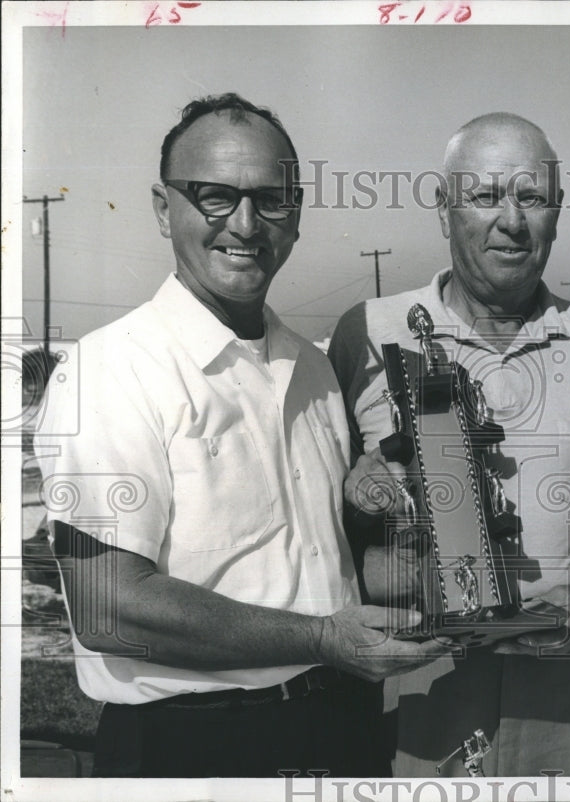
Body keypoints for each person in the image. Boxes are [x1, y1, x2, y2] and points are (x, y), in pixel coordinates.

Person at [35, 93, 450, 778]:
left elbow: (315, 564)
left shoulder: (313, 369)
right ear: (163, 208)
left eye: (272, 198)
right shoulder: (110, 370)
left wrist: (365, 514)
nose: (247, 223)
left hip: (340, 732)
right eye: (214, 196)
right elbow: (107, 606)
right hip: (194, 748)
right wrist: (322, 638)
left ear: (297, 213)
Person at [329, 112, 570, 776]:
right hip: (415, 680)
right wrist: (360, 496)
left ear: (558, 212)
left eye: (532, 197)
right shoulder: (369, 332)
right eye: (486, 195)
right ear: (444, 206)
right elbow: (324, 528)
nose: (511, 220)